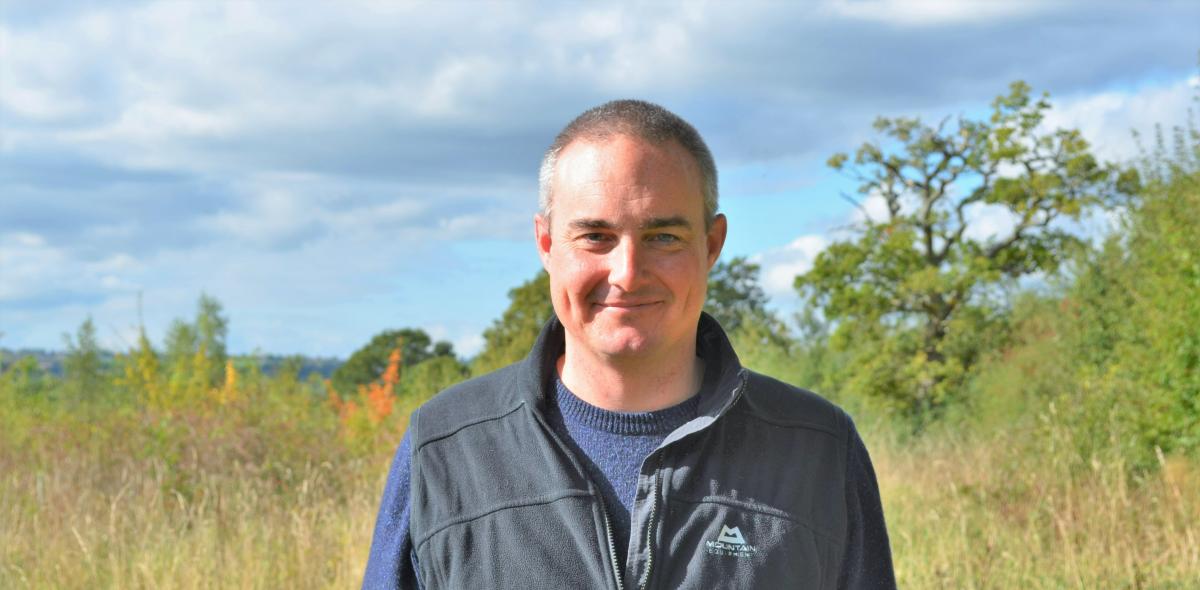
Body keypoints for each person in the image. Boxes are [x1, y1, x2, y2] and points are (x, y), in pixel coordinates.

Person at [362, 100, 895, 589]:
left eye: (663, 237)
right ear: (547, 244)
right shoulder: (446, 448)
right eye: (595, 236)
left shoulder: (818, 448)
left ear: (711, 246)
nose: (628, 272)